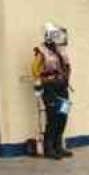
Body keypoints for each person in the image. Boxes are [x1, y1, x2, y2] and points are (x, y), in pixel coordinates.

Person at [31, 23, 72, 160]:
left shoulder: (61, 50)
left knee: (63, 117)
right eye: (55, 35)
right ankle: (49, 148)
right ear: (48, 36)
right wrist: (40, 86)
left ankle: (58, 146)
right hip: (49, 88)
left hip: (62, 87)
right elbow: (35, 70)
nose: (58, 37)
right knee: (53, 117)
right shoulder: (41, 51)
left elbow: (67, 66)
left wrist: (66, 79)